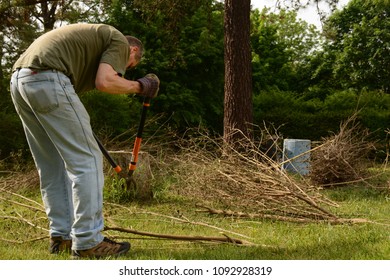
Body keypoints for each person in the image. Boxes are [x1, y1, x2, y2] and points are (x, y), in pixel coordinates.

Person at [9, 23, 159, 259]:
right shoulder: (119, 41)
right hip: (48, 78)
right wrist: (141, 86)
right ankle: (89, 241)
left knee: (52, 165)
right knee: (87, 161)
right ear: (132, 51)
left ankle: (62, 236)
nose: (123, 71)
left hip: (21, 81)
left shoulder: (88, 46)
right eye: (129, 66)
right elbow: (106, 82)